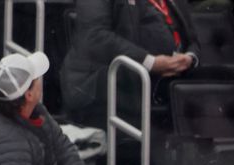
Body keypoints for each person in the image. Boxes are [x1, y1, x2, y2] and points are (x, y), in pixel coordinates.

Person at [60, 0, 201, 129]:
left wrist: (190, 58)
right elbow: (94, 36)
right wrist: (151, 63)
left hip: (170, 79)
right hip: (110, 80)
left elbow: (192, 39)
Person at [0, 52, 95, 165]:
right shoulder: (6, 142)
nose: (40, 79)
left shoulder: (37, 111)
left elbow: (65, 152)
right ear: (29, 94)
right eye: (36, 78)